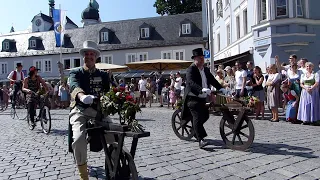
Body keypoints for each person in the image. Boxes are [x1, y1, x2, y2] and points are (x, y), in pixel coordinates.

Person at [68, 41, 110, 180]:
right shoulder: (76, 73)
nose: (89, 56)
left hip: (99, 112)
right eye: (87, 54)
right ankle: (83, 175)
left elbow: (109, 92)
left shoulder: (104, 75)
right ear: (83, 57)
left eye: (92, 54)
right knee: (79, 139)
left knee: (116, 135)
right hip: (80, 110)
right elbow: (74, 86)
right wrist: (82, 96)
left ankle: (115, 163)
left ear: (96, 57)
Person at [181, 48, 227, 149]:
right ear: (195, 59)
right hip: (192, 98)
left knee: (205, 116)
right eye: (200, 58)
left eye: (203, 58)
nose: (202, 60)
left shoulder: (205, 69)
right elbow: (191, 83)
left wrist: (221, 88)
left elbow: (212, 80)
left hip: (202, 98)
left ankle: (195, 129)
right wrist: (201, 89)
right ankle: (200, 140)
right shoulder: (191, 69)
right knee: (197, 117)